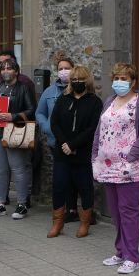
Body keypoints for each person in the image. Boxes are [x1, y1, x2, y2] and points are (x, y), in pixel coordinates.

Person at [92, 62, 139, 274]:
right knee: (116, 213)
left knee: (128, 212)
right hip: (107, 165)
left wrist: (131, 156)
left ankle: (132, 257)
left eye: (124, 78)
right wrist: (95, 155)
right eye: (116, 78)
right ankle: (120, 252)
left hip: (130, 167)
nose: (119, 82)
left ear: (133, 81)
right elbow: (100, 130)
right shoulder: (109, 100)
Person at [48, 65, 100, 239]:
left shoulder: (94, 102)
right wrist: (64, 143)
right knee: (59, 186)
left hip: (82, 153)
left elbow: (92, 128)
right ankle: (57, 222)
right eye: (74, 80)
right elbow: (54, 122)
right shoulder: (63, 99)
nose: (77, 83)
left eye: (80, 80)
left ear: (87, 81)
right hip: (62, 152)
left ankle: (85, 222)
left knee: (85, 187)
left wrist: (73, 144)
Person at [0, 57, 36, 219]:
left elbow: (31, 110)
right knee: (0, 170)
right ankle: (0, 204)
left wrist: (13, 116)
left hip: (15, 130)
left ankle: (22, 204)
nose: (5, 71)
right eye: (3, 68)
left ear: (16, 71)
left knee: (18, 169)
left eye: (9, 68)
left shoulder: (23, 88)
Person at [37, 55, 78, 221]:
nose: (63, 71)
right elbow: (40, 112)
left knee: (77, 177)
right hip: (56, 142)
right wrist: (46, 126)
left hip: (76, 143)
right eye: (60, 68)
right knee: (62, 178)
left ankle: (76, 209)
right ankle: (63, 211)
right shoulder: (49, 92)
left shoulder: (79, 89)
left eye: (66, 68)